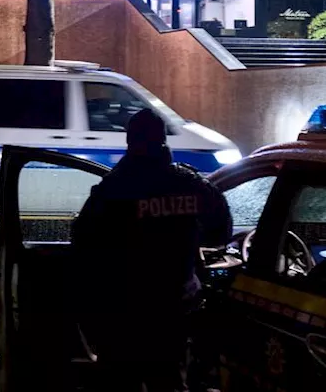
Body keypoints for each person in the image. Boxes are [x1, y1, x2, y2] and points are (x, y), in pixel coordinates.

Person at [71, 109, 231, 392]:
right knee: (167, 377)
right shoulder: (189, 182)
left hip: (123, 308)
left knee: (120, 378)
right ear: (162, 140)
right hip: (173, 307)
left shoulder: (114, 188)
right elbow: (222, 229)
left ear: (130, 142)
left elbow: (84, 241)